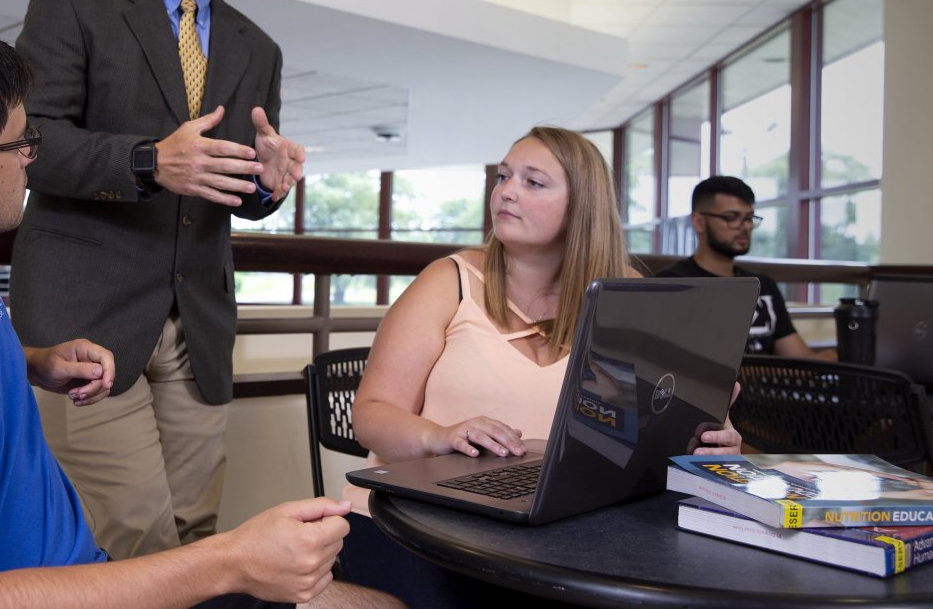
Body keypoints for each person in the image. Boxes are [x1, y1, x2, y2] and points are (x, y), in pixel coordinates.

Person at [0, 21, 397, 609]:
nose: (33, 155)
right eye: (21, 142)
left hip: (82, 569)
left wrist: (33, 362)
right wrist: (230, 559)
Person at [8, 0, 304, 559]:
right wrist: (148, 161)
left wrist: (268, 182)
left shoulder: (256, 48)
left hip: (196, 322)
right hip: (88, 317)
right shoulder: (71, 3)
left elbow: (234, 188)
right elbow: (32, 144)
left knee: (197, 531)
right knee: (135, 534)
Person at [343, 126, 744, 606]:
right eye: (503, 177)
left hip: (562, 533)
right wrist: (439, 436)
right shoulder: (448, 279)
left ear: (582, 207)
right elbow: (371, 414)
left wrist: (708, 436)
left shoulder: (627, 291)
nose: (506, 191)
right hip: (413, 523)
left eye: (533, 182)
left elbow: (639, 432)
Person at [655, 175, 822, 358]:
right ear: (699, 222)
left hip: (770, 386)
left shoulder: (763, 285)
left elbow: (800, 360)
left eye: (749, 218)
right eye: (731, 218)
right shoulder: (670, 285)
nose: (745, 227)